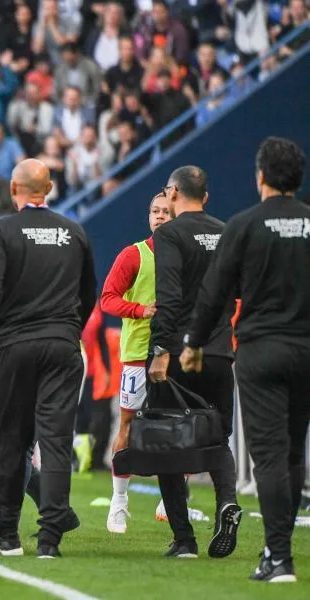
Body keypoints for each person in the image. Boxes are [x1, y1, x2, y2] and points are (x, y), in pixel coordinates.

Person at [181, 138, 308, 583]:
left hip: (261, 350)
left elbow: (215, 292)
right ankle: (278, 554)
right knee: (293, 454)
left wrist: (194, 342)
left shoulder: (244, 224)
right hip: (306, 349)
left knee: (269, 455)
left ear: (260, 177)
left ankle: (279, 558)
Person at [0, 159, 95, 558]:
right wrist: (70, 329)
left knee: (12, 439)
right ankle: (50, 539)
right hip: (62, 344)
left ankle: (7, 534)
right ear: (50, 187)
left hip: (16, 346)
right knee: (56, 442)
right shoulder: (74, 231)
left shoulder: (3, 230)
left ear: (13, 188)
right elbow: (89, 292)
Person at [147, 166, 241, 559]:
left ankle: (184, 539)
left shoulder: (169, 234)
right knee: (218, 437)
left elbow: (168, 297)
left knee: (167, 443)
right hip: (219, 352)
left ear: (172, 193)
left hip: (180, 354)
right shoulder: (227, 231)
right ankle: (226, 502)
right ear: (206, 194)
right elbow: (234, 292)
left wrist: (159, 351)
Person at [99, 192, 170, 534]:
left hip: (175, 353)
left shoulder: (187, 255)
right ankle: (119, 502)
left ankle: (171, 498)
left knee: (180, 426)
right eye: (154, 211)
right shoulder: (134, 254)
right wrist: (141, 310)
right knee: (127, 424)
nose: (159, 217)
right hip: (137, 353)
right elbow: (107, 299)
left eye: (166, 212)